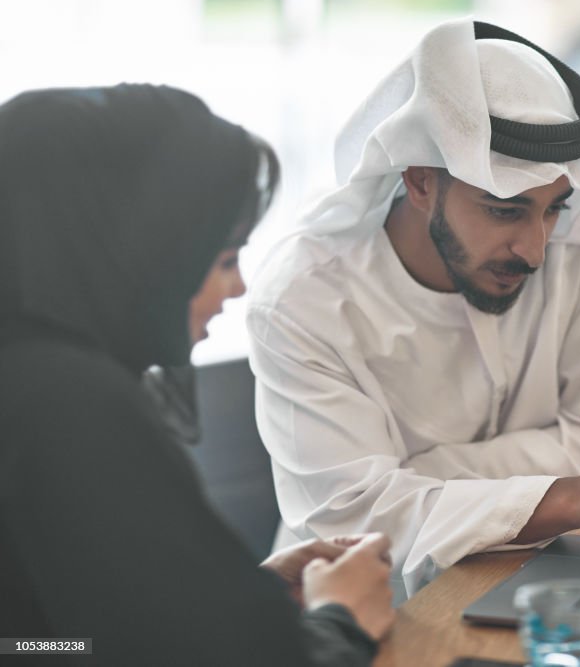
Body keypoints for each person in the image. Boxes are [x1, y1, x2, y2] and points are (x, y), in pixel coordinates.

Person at [247, 20, 580, 587]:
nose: (535, 249)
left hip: (562, 569)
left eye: (553, 208)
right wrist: (565, 496)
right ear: (420, 181)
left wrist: (422, 476)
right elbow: (353, 520)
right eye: (504, 209)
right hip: (367, 609)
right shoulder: (304, 299)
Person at [0, 85, 394, 666]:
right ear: (146, 256)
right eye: (224, 259)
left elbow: (38, 644)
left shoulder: (28, 371)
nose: (236, 289)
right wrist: (342, 619)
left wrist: (225, 596)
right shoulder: (71, 404)